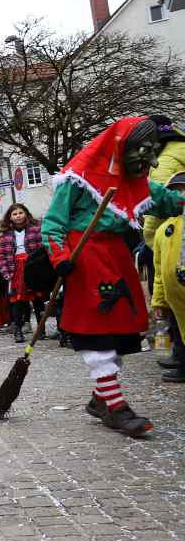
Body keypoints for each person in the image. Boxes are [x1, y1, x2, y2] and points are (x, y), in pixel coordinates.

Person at [43, 116, 183, 436]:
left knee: (119, 333)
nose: (150, 160)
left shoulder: (138, 183)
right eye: (143, 151)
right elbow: (52, 223)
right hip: (86, 258)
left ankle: (100, 399)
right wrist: (60, 257)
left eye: (152, 153)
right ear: (123, 148)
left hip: (116, 258)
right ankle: (116, 407)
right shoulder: (78, 178)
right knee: (99, 334)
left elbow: (169, 201)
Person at [145, 117, 185, 374]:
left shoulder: (165, 161)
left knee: (173, 300)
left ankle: (181, 359)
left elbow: (153, 205)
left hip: (172, 239)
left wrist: (151, 239)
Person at [0, 203, 51, 343]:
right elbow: (1, 256)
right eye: (14, 214)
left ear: (26, 213)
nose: (18, 216)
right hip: (15, 269)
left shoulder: (36, 230)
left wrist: (44, 269)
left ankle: (41, 329)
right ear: (10, 217)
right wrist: (6, 273)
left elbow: (43, 248)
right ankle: (18, 330)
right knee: (18, 301)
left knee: (38, 299)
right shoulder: (6, 235)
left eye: (20, 213)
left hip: (33, 267)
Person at [151, 172, 185, 383]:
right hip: (175, 299)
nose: (180, 195)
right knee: (178, 334)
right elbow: (159, 271)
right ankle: (182, 365)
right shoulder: (163, 230)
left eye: (183, 189)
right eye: (175, 191)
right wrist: (159, 301)